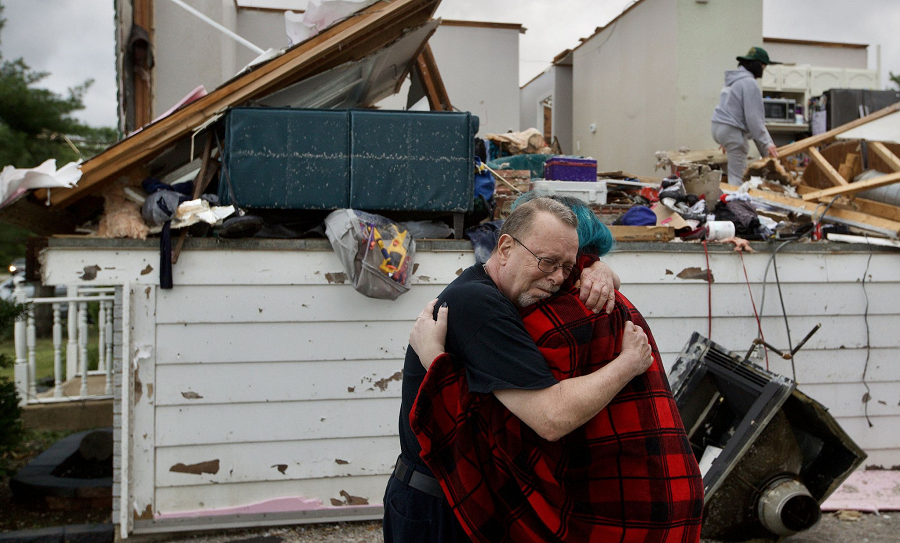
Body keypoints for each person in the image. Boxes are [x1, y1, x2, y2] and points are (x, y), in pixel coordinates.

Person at [406, 195, 704, 542]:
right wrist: (629, 362)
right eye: (547, 262)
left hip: (458, 493)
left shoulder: (526, 299)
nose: (559, 279)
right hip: (437, 505)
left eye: (569, 266)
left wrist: (600, 269)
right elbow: (551, 416)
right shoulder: (483, 306)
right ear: (504, 247)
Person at [711, 46, 780, 185]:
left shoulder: (733, 81)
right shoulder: (749, 83)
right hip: (731, 131)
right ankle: (735, 205)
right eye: (763, 66)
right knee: (738, 177)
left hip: (718, 127)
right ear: (758, 65)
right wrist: (767, 144)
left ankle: (727, 201)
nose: (763, 70)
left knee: (731, 170)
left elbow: (731, 111)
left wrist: (726, 139)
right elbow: (754, 119)